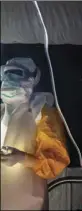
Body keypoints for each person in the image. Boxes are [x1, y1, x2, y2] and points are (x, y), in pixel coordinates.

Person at [1, 58, 70, 210]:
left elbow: (56, 160)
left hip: (27, 203)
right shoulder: (1, 112)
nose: (8, 80)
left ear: (32, 80)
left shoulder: (41, 113)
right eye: (6, 74)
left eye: (16, 74)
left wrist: (23, 158)